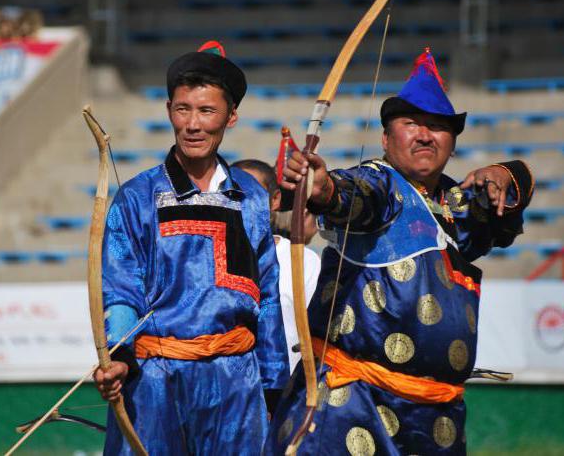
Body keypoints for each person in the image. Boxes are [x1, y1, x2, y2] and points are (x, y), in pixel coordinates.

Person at [264, 48, 534, 455]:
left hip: (435, 416)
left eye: (438, 127)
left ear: (453, 143)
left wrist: (507, 173)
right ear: (386, 139)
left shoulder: (455, 204)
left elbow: (508, 208)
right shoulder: (381, 183)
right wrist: (323, 189)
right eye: (411, 124)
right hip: (355, 404)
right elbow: (351, 195)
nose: (425, 134)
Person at [93, 40, 289, 456]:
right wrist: (120, 354)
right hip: (155, 379)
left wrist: (275, 387)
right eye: (183, 110)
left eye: (207, 111)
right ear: (169, 112)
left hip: (237, 380)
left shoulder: (250, 195)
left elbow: (267, 297)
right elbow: (121, 288)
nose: (193, 124)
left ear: (230, 117)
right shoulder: (137, 197)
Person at [233, 159, 322, 373]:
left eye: (253, 193)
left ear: (275, 200)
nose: (242, 203)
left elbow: (319, 334)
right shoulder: (201, 256)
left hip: (286, 392)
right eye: (233, 193)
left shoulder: (304, 261)